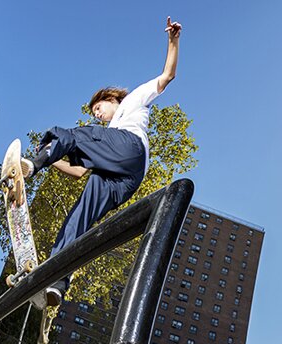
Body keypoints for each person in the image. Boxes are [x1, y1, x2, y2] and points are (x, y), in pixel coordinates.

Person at [21, 17, 183, 307]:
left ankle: (35, 163)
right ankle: (57, 281)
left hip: (130, 149)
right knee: (80, 217)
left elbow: (167, 75)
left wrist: (173, 40)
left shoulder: (133, 100)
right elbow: (78, 172)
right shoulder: (105, 140)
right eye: (95, 112)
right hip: (124, 180)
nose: (97, 114)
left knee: (74, 134)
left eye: (98, 108)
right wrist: (54, 161)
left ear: (111, 98)